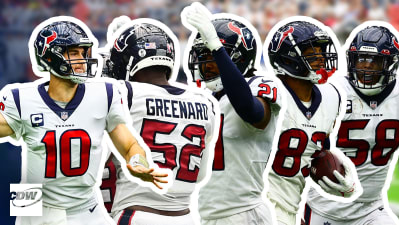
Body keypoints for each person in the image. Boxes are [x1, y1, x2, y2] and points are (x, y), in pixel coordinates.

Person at [0, 16, 168, 225]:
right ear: (50, 57)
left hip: (85, 207)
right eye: (73, 52)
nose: (82, 59)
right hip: (37, 206)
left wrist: (137, 162)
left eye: (83, 52)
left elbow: (129, 145)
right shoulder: (21, 98)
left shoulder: (105, 94)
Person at [100, 18, 219, 225]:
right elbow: (199, 175)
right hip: (185, 217)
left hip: (137, 213)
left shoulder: (123, 93)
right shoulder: (204, 102)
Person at [182, 3, 283, 224]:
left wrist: (217, 48)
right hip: (207, 215)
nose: (206, 63)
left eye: (211, 55)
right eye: (203, 54)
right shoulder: (202, 98)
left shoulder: (260, 84)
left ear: (238, 58)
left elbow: (251, 111)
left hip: (243, 213)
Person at [265, 18, 359, 225]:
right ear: (288, 57)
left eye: (321, 50)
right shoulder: (267, 94)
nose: (321, 57)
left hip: (290, 208)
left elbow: (312, 154)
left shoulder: (332, 96)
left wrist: (334, 175)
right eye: (311, 51)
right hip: (259, 207)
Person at [305, 23, 399, 225]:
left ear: (390, 63)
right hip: (325, 207)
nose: (365, 66)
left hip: (371, 208)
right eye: (361, 59)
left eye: (374, 60)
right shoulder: (332, 91)